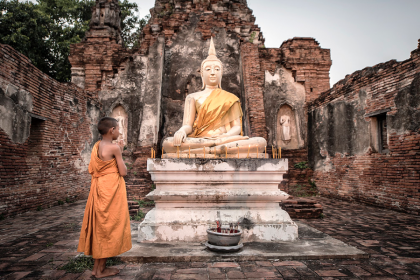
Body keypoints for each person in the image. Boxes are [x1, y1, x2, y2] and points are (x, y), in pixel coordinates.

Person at [77, 117, 132, 278]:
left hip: (100, 189)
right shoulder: (114, 147)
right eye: (118, 128)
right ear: (112, 130)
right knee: (109, 227)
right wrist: (120, 150)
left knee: (102, 227)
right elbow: (123, 172)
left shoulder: (97, 146)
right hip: (111, 190)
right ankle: (99, 270)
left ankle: (98, 269)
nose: (120, 131)